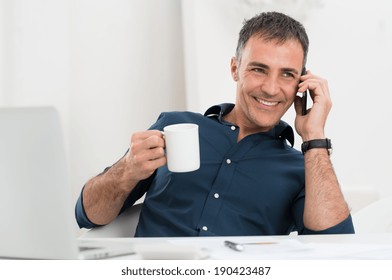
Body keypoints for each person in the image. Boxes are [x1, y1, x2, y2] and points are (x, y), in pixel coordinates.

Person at [75, 11, 354, 236]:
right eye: (259, 69)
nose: (271, 88)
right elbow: (87, 215)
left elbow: (336, 250)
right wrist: (128, 169)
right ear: (235, 69)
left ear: (300, 84)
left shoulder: (302, 167)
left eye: (287, 75)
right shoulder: (173, 126)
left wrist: (314, 136)